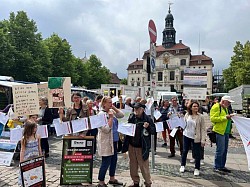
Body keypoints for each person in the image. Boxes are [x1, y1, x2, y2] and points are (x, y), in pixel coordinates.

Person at [122, 102, 156, 187]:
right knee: (133, 166)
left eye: (137, 109)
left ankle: (148, 183)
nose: (135, 110)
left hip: (142, 147)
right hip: (131, 145)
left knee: (144, 167)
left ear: (142, 109)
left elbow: (153, 131)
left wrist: (148, 127)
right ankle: (135, 182)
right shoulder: (132, 117)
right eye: (134, 109)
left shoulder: (147, 118)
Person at [97, 96, 124, 187]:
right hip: (106, 141)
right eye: (109, 102)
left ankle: (112, 178)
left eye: (111, 102)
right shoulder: (101, 114)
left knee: (114, 160)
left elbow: (121, 115)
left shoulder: (111, 111)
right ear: (104, 104)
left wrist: (114, 108)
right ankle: (101, 181)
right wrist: (111, 118)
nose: (111, 104)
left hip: (114, 140)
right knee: (106, 162)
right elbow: (105, 129)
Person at [179, 101, 206, 176]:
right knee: (184, 151)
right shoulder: (187, 115)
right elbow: (183, 124)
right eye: (194, 106)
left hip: (196, 137)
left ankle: (197, 168)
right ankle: (182, 165)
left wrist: (203, 140)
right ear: (190, 108)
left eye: (197, 106)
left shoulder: (201, 117)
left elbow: (203, 129)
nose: (196, 108)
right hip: (186, 135)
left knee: (197, 153)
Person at [210, 95, 234, 173]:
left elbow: (225, 117)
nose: (229, 104)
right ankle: (217, 166)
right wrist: (225, 117)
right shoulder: (216, 107)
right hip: (219, 131)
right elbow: (213, 119)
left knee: (224, 150)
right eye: (228, 102)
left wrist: (230, 117)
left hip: (226, 131)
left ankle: (222, 166)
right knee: (220, 150)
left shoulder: (225, 108)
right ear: (223, 101)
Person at [18, 120, 42, 186]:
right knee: (27, 174)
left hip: (35, 158)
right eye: (33, 128)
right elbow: (22, 150)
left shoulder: (38, 136)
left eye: (35, 128)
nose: (35, 129)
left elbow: (39, 147)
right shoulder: (24, 138)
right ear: (28, 128)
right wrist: (21, 162)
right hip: (27, 159)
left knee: (35, 173)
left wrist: (41, 157)